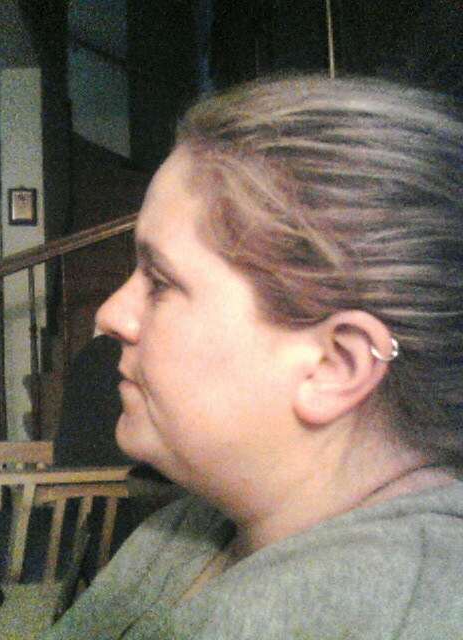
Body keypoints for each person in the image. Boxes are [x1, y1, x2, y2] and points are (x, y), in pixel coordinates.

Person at [45, 74, 463, 639]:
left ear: (334, 366)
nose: (111, 315)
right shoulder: (200, 522)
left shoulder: (355, 618)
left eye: (160, 282)